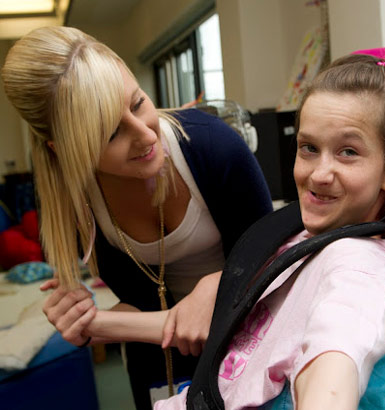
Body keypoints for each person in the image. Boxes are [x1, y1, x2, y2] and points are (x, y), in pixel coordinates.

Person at [68, 52, 385, 409]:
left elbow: (335, 359)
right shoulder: (298, 241)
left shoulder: (353, 265)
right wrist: (94, 323)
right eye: (309, 148)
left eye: (347, 152)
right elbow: (203, 324)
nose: (319, 173)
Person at [1, 26, 273, 410]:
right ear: (62, 149)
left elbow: (274, 258)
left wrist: (216, 284)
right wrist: (82, 319)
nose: (145, 134)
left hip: (254, 336)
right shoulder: (73, 204)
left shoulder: (213, 146)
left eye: (138, 103)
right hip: (158, 359)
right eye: (111, 133)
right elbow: (141, 306)